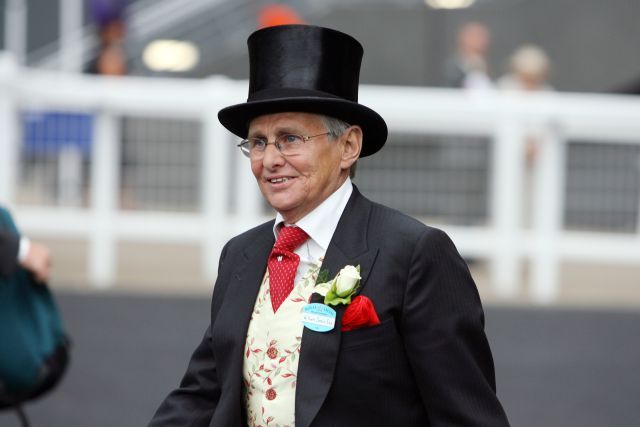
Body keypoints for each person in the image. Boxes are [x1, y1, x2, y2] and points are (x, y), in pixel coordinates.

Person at [149, 25, 510, 426]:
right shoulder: (240, 254)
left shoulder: (415, 254)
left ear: (349, 146)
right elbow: (204, 393)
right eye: (258, 142)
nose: (269, 160)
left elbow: (467, 416)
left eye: (289, 139)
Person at [444, 22, 493, 90]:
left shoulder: (486, 64)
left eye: (483, 36)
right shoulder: (454, 67)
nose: (481, 40)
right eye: (475, 36)